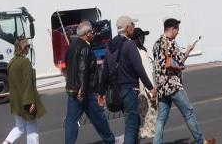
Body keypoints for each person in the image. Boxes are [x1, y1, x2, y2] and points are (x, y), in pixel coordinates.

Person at [151, 18, 215, 144]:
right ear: (173, 29)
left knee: (161, 118)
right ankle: (200, 141)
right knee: (188, 113)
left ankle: (157, 142)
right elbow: (180, 61)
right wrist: (188, 50)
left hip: (162, 86)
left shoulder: (156, 44)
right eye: (177, 30)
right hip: (173, 84)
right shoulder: (171, 43)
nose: (178, 33)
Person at [64, 21, 116, 144]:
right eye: (92, 31)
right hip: (87, 91)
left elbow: (68, 64)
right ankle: (110, 140)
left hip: (72, 90)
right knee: (99, 117)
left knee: (71, 120)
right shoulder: (85, 47)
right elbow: (83, 70)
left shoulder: (72, 45)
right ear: (87, 33)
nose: (93, 33)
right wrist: (82, 89)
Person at [107, 15, 154, 144]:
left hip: (117, 90)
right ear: (127, 28)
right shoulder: (129, 45)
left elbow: (105, 69)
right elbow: (139, 69)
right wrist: (151, 88)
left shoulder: (110, 45)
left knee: (134, 121)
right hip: (129, 89)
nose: (134, 27)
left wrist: (101, 91)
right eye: (132, 25)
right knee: (131, 126)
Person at [1, 37, 42, 144]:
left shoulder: (11, 62)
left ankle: (5, 143)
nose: (29, 48)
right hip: (26, 100)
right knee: (32, 126)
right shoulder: (25, 62)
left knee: (19, 127)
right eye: (28, 46)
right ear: (24, 48)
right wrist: (31, 101)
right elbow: (27, 83)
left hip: (15, 101)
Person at [133, 28, 158, 141]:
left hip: (136, 89)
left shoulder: (132, 52)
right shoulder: (142, 53)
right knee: (152, 121)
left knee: (139, 123)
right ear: (139, 38)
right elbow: (147, 73)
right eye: (143, 37)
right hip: (146, 90)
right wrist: (152, 92)